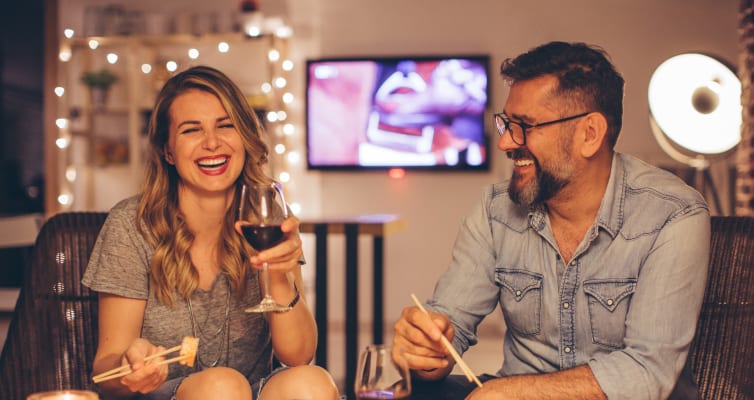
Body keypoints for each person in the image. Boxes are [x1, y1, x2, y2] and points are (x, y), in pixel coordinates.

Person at [392, 41, 710, 400]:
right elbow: (451, 323)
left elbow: (647, 373)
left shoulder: (672, 214)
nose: (506, 143)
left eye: (524, 126)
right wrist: (426, 347)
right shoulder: (495, 210)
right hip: (509, 393)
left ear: (589, 134)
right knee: (405, 392)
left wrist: (506, 394)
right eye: (506, 124)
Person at [82, 65, 340, 400]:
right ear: (168, 151)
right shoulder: (131, 224)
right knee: (222, 387)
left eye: (225, 126)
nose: (213, 143)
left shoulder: (268, 216)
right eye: (192, 130)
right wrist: (131, 367)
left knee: (312, 383)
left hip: (252, 389)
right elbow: (106, 368)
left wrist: (278, 274)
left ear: (245, 137)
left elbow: (298, 355)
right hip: (165, 393)